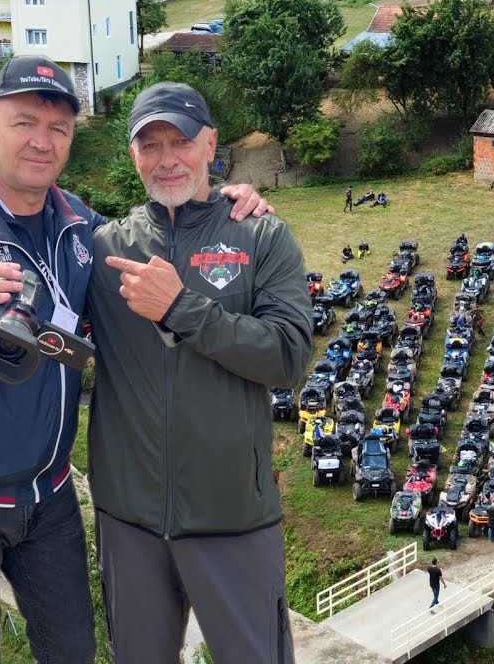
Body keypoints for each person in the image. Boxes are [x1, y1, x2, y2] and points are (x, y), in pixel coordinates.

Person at [0, 59, 268, 663]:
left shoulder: (80, 229)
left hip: (50, 500)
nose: (42, 142)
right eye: (25, 123)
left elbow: (146, 273)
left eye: (59, 128)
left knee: (74, 651)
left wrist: (222, 202)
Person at [88, 83, 312, 662]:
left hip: (233, 520)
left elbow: (288, 357)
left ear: (211, 145)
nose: (167, 160)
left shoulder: (260, 234)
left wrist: (181, 307)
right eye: (150, 145)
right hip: (128, 522)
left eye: (181, 142)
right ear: (133, 156)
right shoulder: (103, 247)